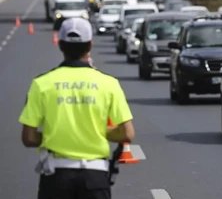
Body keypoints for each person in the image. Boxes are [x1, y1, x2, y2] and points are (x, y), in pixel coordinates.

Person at [19, 17, 135, 199]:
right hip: (95, 177)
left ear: (60, 45)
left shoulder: (41, 84)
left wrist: (58, 135)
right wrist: (94, 131)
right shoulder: (109, 84)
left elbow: (29, 137)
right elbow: (127, 134)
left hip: (56, 176)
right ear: (89, 45)